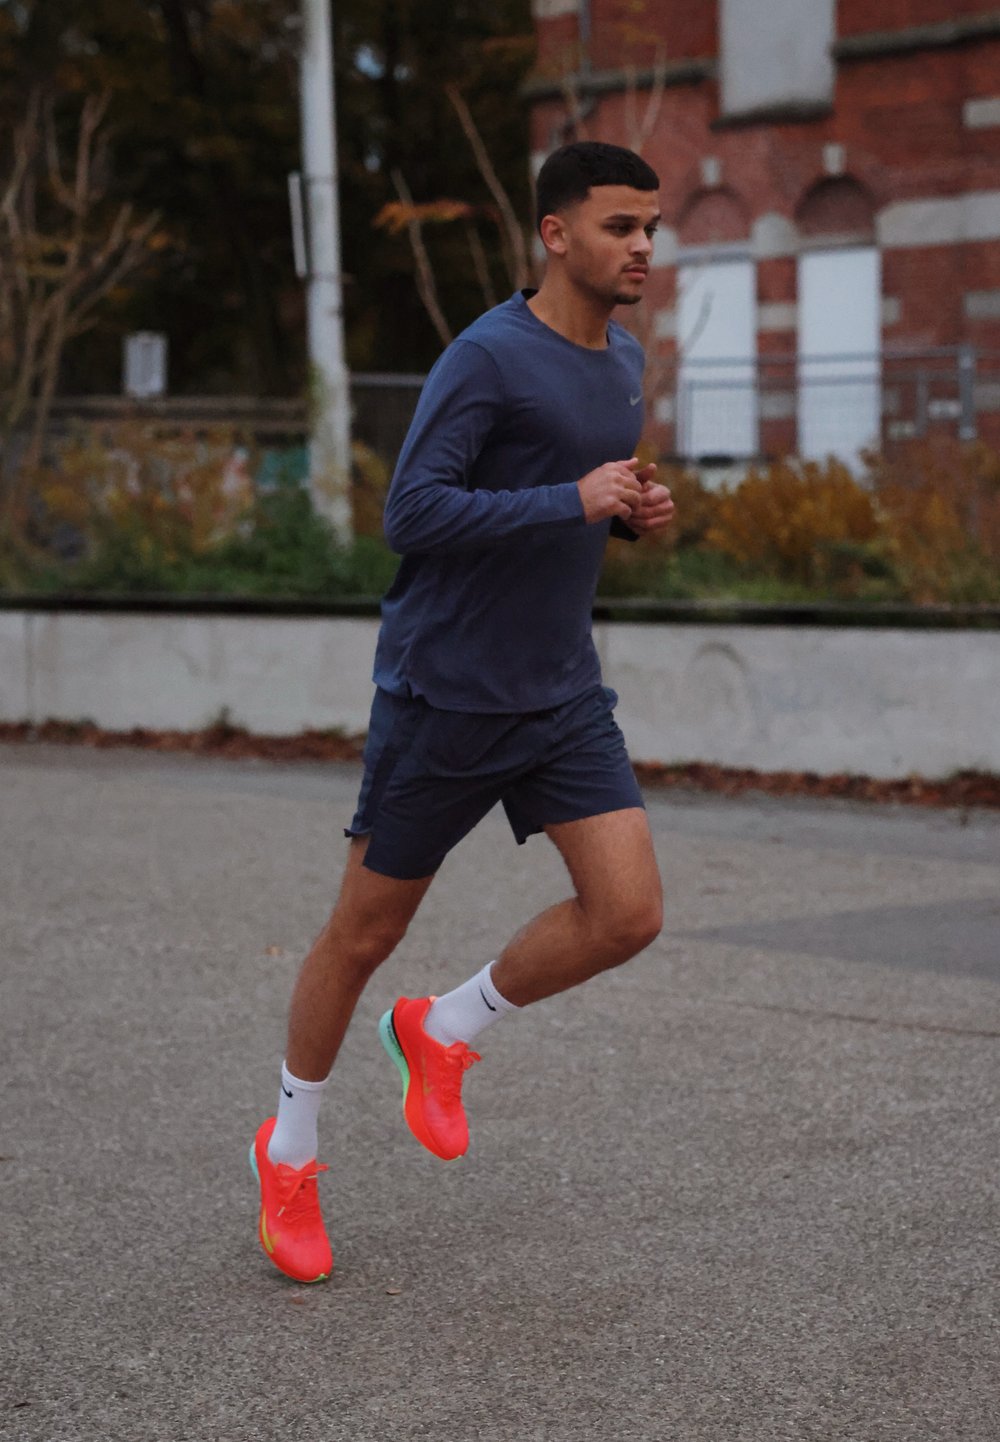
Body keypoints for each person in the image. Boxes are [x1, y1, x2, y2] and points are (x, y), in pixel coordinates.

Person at [250, 140, 676, 1284]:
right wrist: (567, 496)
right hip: (444, 696)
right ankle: (287, 1150)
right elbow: (412, 511)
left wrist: (625, 509)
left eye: (650, 226)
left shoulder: (622, 362)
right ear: (553, 234)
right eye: (618, 225)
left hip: (560, 694)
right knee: (361, 933)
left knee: (628, 912)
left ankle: (443, 1027)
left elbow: (571, 503)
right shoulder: (486, 356)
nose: (641, 246)